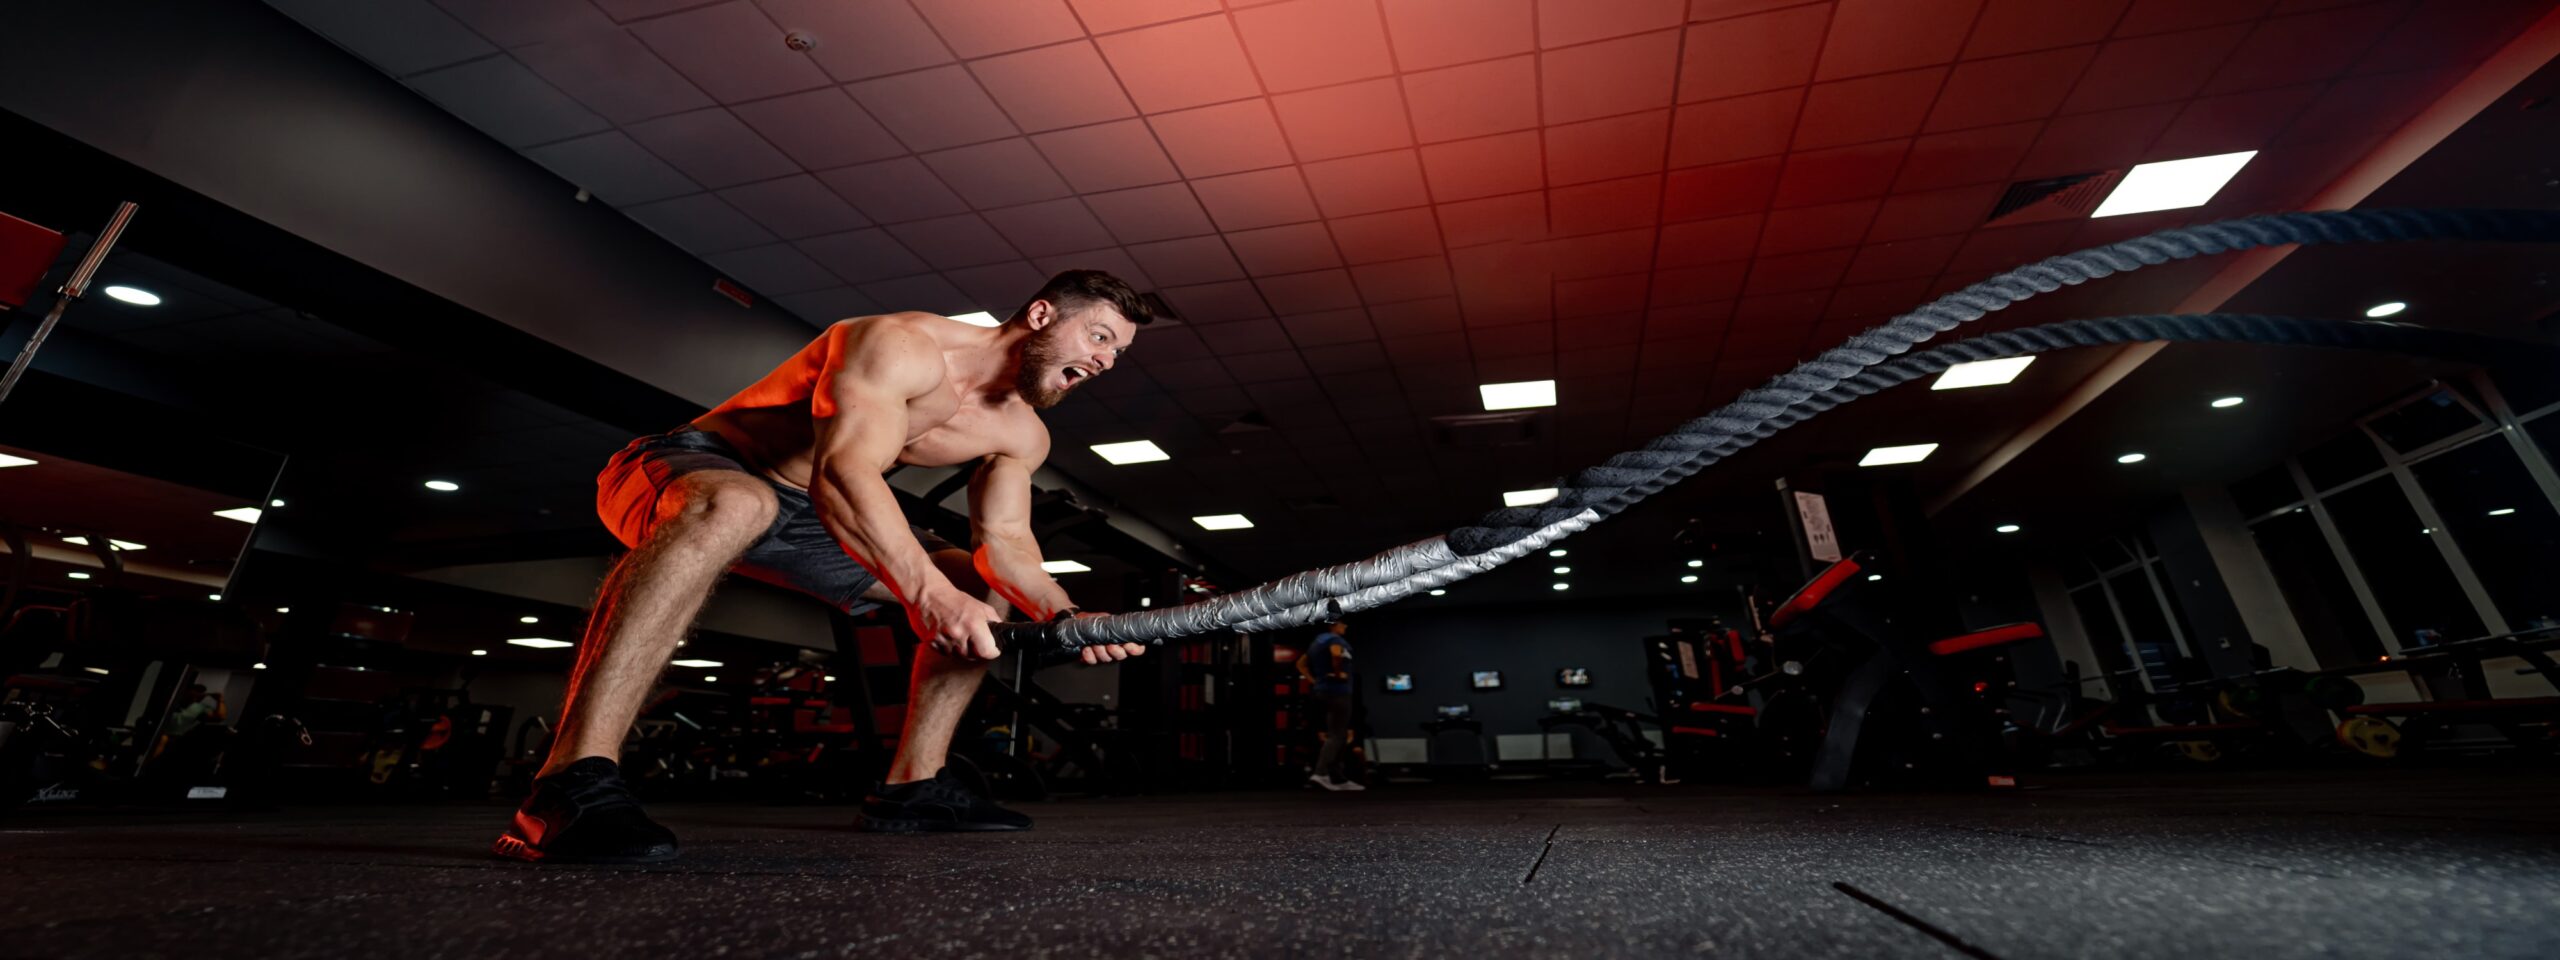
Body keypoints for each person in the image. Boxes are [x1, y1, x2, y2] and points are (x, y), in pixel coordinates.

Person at [495, 270, 1155, 864]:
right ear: (1041, 315)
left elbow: (1007, 543)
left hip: (807, 518)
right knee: (741, 502)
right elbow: (844, 469)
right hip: (690, 470)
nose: (1105, 360)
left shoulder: (1022, 434)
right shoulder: (897, 344)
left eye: (1117, 353)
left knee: (974, 583)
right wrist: (923, 593)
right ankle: (569, 781)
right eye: (1099, 337)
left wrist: (1069, 613)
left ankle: (913, 789)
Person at [1298, 621, 1363, 792]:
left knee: (1338, 735)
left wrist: (1315, 681)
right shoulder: (1335, 640)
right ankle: (1321, 773)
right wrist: (1337, 674)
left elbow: (1301, 664)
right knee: (1338, 735)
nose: (1346, 626)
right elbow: (1335, 654)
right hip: (1338, 691)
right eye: (1343, 623)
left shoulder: (1317, 641)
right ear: (1333, 624)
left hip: (1322, 691)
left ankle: (1338, 777)